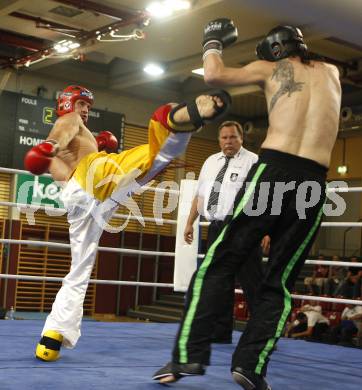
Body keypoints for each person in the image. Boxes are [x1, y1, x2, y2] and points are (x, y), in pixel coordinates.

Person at [153, 21, 341, 389]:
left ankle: (187, 358)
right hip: (314, 184)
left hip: (275, 170)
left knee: (218, 265)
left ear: (273, 50)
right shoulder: (332, 71)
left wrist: (212, 40)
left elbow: (213, 75)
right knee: (279, 284)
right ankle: (251, 366)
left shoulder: (271, 68)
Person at [24, 85, 231, 361]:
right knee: (146, 157)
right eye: (81, 104)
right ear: (66, 103)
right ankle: (166, 120)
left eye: (88, 105)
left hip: (83, 201)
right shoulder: (68, 121)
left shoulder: (81, 142)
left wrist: (63, 151)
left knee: (79, 271)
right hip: (89, 178)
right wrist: (50, 147)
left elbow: (64, 161)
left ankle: (51, 339)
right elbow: (61, 134)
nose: (85, 110)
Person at [184, 120, 267, 343]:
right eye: (224, 137)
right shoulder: (211, 162)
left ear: (241, 138)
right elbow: (200, 196)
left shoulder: (253, 161)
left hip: (245, 228)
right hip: (217, 227)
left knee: (253, 282)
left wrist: (266, 231)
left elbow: (264, 198)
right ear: (219, 139)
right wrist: (190, 222)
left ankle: (262, 335)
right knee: (218, 282)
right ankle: (221, 333)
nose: (228, 141)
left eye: (233, 137)